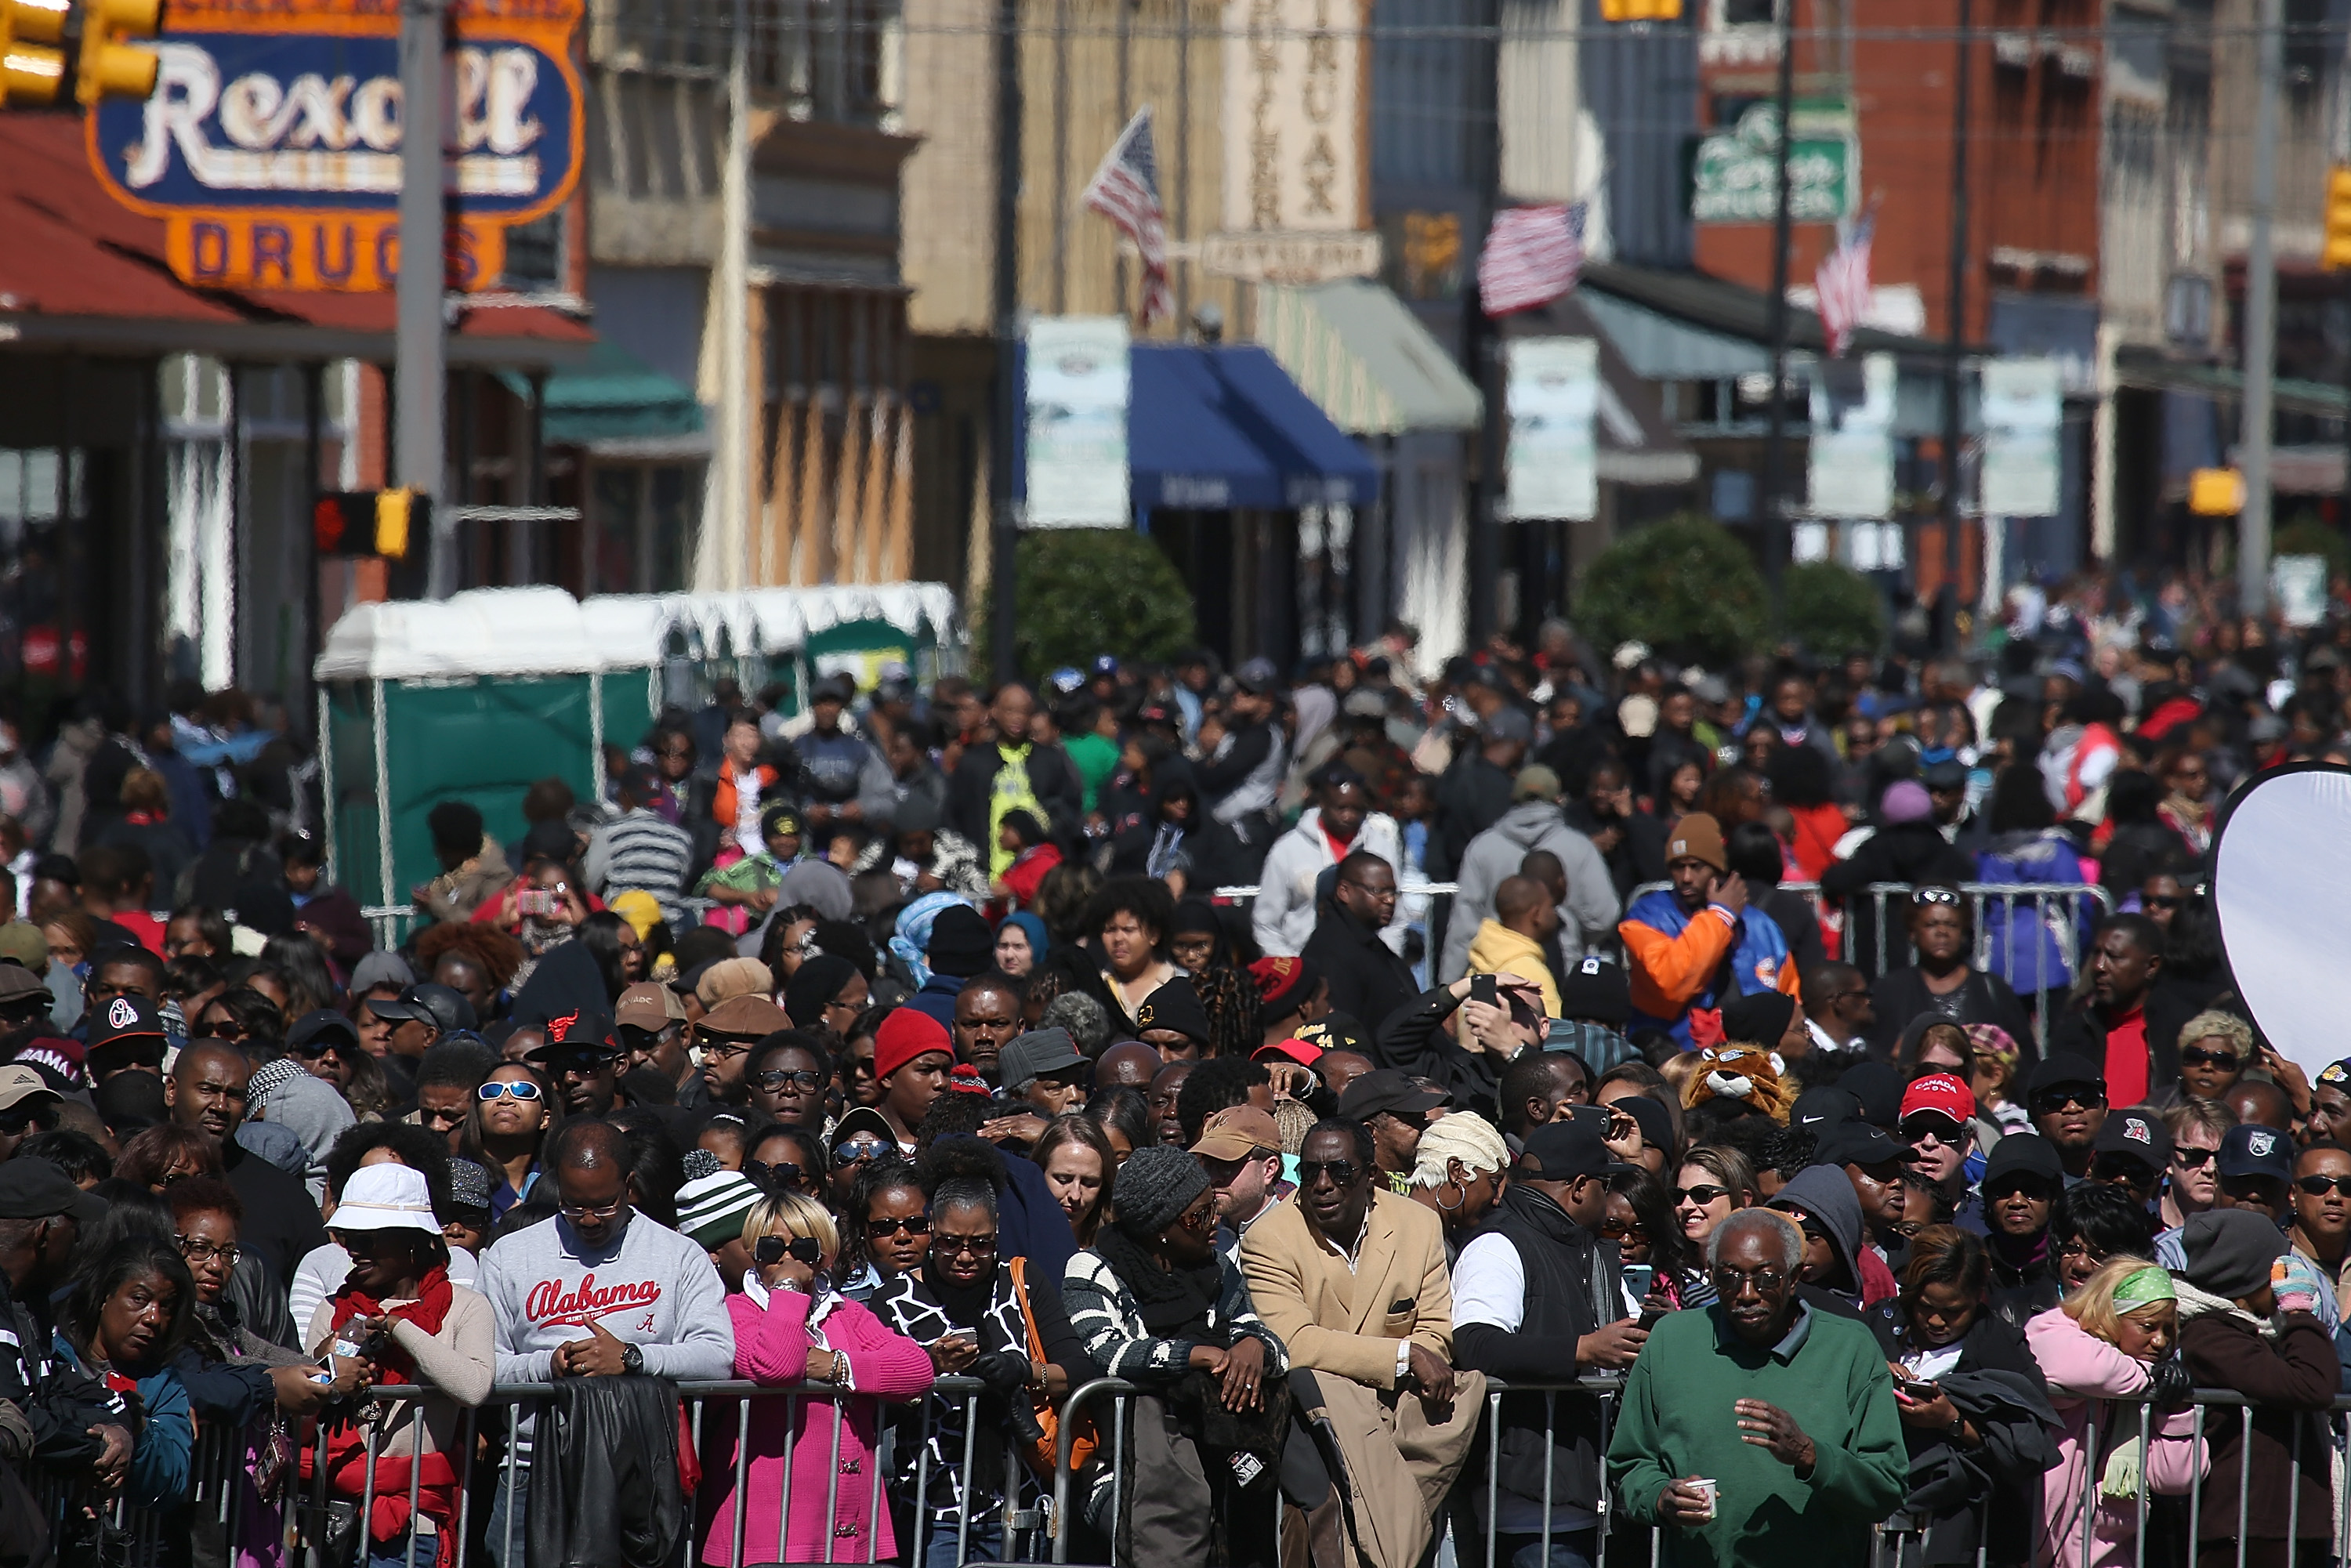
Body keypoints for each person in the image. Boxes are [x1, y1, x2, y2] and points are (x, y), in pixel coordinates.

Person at [475, 1119, 736, 1542]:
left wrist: (633, 1359)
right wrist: (548, 1366)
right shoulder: (510, 1255)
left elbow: (717, 1357)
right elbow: (482, 1366)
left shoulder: (679, 1255)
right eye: (574, 1205)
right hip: (532, 1468)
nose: (590, 1219)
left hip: (641, 1471)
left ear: (629, 1184)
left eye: (605, 1204)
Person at [1606, 1207, 1909, 1568]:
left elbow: (1886, 1486)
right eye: (1729, 1278)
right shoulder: (1672, 1341)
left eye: (1766, 1278)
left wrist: (1811, 1456)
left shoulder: (1850, 1348)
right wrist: (1659, 1497)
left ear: (1794, 1277)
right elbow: (1630, 1462)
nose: (1747, 1294)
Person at [1240, 1118, 1483, 1568]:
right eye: (1309, 1172)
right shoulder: (1269, 1238)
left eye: (1339, 1171)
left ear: (1371, 1175)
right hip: (1321, 1430)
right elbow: (1292, 1341)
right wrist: (1404, 1355)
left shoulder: (1418, 1224)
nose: (1322, 1185)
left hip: (1402, 1428)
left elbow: (1434, 1329)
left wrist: (1415, 1356)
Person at [697, 1191, 935, 1567]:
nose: (788, 1259)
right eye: (773, 1247)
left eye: (804, 1248)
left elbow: (917, 1368)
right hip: (764, 1531)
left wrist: (837, 1366)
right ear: (755, 1253)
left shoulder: (846, 1313)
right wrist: (788, 1290)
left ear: (825, 1256)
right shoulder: (733, 1312)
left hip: (848, 1524)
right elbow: (777, 1365)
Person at [875, 1175, 1092, 1568]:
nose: (965, 1256)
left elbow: (1076, 1368)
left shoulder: (1021, 1282)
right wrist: (930, 1366)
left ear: (996, 1231)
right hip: (932, 1506)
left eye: (981, 1243)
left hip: (1016, 1502)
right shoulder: (892, 1300)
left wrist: (1025, 1370)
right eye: (949, 1243)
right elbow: (878, 1399)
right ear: (931, 1231)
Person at [1454, 1121, 1645, 1566]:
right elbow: (1476, 1345)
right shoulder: (1499, 1245)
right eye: (1605, 1184)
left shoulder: (1586, 1249)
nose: (1608, 1197)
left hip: (1585, 1498)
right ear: (1580, 1187)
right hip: (1532, 1512)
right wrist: (1582, 1350)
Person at [306, 1163, 494, 1568]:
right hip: (335, 1518)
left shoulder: (465, 1308)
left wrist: (400, 1329)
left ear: (413, 1241)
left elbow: (475, 1387)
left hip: (414, 1526)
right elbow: (311, 1397)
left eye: (369, 1239)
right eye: (350, 1237)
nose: (354, 1248)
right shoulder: (333, 1310)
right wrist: (332, 1358)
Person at [1862, 1226, 2057, 1567]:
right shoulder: (1878, 1326)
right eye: (1926, 1307)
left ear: (1978, 1295)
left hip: (1967, 1539)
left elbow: (2026, 1445)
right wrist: (1874, 1372)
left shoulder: (2001, 1348)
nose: (1937, 1321)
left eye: (1953, 1311)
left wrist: (1950, 1420)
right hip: (1872, 1533)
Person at [2175, 1208, 2340, 1568]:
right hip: (2246, 1530)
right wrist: (2298, 1314)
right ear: (2249, 1274)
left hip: (2288, 1525)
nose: (2285, 1275)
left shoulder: (2261, 1331)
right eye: (2277, 1266)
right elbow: (2312, 1384)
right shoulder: (2209, 1335)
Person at [2023, 1256, 2205, 1568]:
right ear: (2110, 1313)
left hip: (2104, 1554)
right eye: (2148, 1326)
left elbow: (2177, 1478)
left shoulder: (2139, 1385)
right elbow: (2086, 1370)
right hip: (2029, 1545)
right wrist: (2149, 1378)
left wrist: (2176, 1410)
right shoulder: (2054, 1329)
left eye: (2167, 1329)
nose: (2160, 1341)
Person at [1619, 813, 1799, 1048]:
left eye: (1696, 867)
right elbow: (1672, 982)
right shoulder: (1646, 916)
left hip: (1752, 1062)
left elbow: (1789, 1004)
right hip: (1671, 1056)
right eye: (1677, 867)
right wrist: (1720, 917)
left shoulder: (1761, 926)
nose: (1686, 878)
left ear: (1717, 869)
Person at [51, 1234, 196, 1512]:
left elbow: (173, 1479)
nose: (153, 1318)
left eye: (165, 1306)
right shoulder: (50, 1353)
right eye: (139, 1299)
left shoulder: (163, 1384)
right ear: (105, 1295)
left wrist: (138, 1429)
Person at [1439, 765, 1618, 983]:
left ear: (1513, 798)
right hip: (1565, 968)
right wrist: (1574, 935)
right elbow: (1604, 915)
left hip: (1497, 971)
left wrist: (1448, 988)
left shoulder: (1483, 847)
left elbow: (1464, 927)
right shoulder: (1579, 847)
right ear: (1558, 800)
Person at [1252, 767, 1405, 958]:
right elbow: (1266, 922)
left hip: (1367, 967)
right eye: (1341, 808)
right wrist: (1292, 967)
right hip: (1303, 964)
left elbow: (1396, 917)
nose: (1349, 816)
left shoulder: (1380, 846)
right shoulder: (1288, 849)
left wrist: (1384, 962)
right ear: (1323, 804)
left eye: (1357, 809)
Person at [1865, 888, 2035, 1059]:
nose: (1942, 932)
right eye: (1931, 924)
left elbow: (2024, 1059)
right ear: (1912, 932)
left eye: (1951, 925)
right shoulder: (1889, 990)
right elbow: (1875, 1055)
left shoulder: (1993, 989)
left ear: (1963, 932)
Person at [2046, 915, 2193, 1108]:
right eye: (2096, 954)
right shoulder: (2077, 1031)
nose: (2099, 966)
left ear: (2152, 966)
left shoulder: (2182, 1032)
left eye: (2113, 957)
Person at [1299, 850, 1422, 1033]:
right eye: (1378, 891)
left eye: (1393, 892)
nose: (1389, 900)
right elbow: (1343, 1029)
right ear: (1344, 892)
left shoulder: (1368, 944)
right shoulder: (1333, 951)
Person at [1980, 1133, 2064, 1328]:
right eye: (2004, 1190)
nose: (2017, 1202)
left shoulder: (2072, 1269)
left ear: (2054, 1199)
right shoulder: (1972, 1266)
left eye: (2032, 1190)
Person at [1404, 1110, 1509, 1262]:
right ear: (1456, 1171)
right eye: (1493, 1183)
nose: (1496, 1199)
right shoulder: (1409, 1241)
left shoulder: (1439, 1236)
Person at [1033, 1112, 1116, 1247]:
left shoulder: (1115, 1250)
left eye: (1089, 1183)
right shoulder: (1015, 1242)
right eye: (1063, 1180)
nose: (1075, 1195)